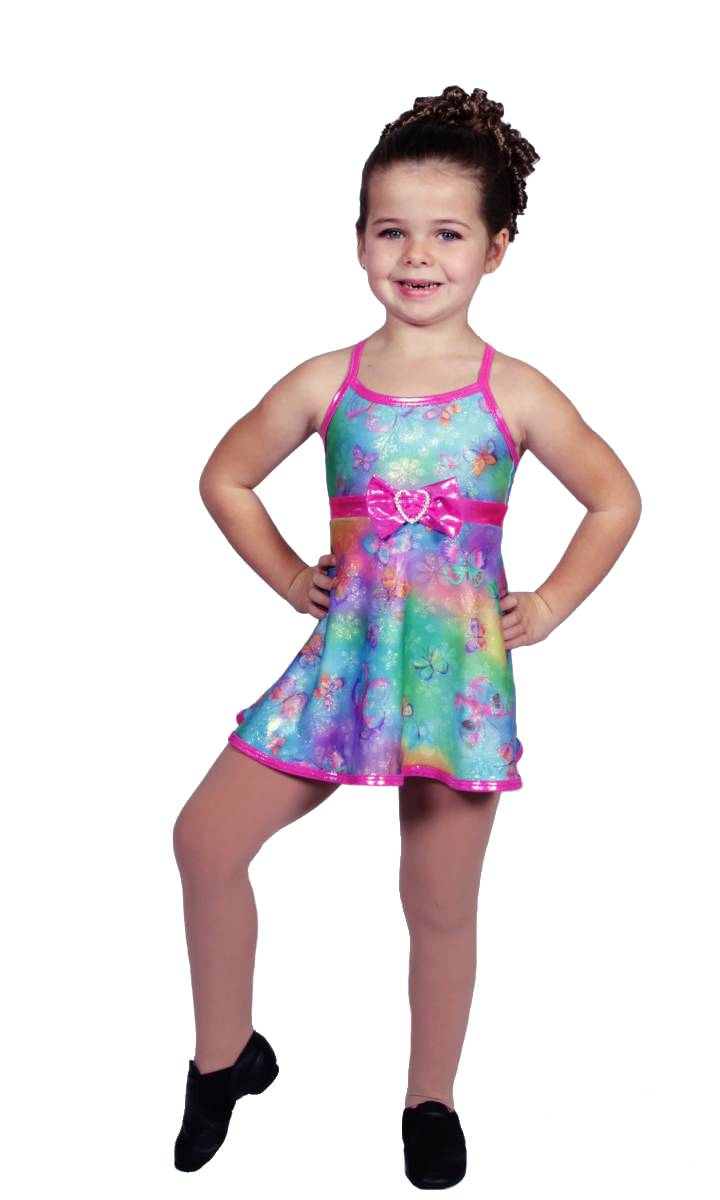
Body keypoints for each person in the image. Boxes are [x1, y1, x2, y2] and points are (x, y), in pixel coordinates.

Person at [172, 84, 642, 1187]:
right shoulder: (326, 382)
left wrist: (550, 604)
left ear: (497, 248)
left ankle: (430, 1099)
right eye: (392, 231)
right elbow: (226, 476)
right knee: (205, 841)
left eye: (447, 234)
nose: (417, 256)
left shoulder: (514, 391)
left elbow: (616, 498)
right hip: (342, 665)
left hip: (453, 684)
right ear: (359, 242)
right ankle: (224, 1057)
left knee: (436, 902)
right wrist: (291, 574)